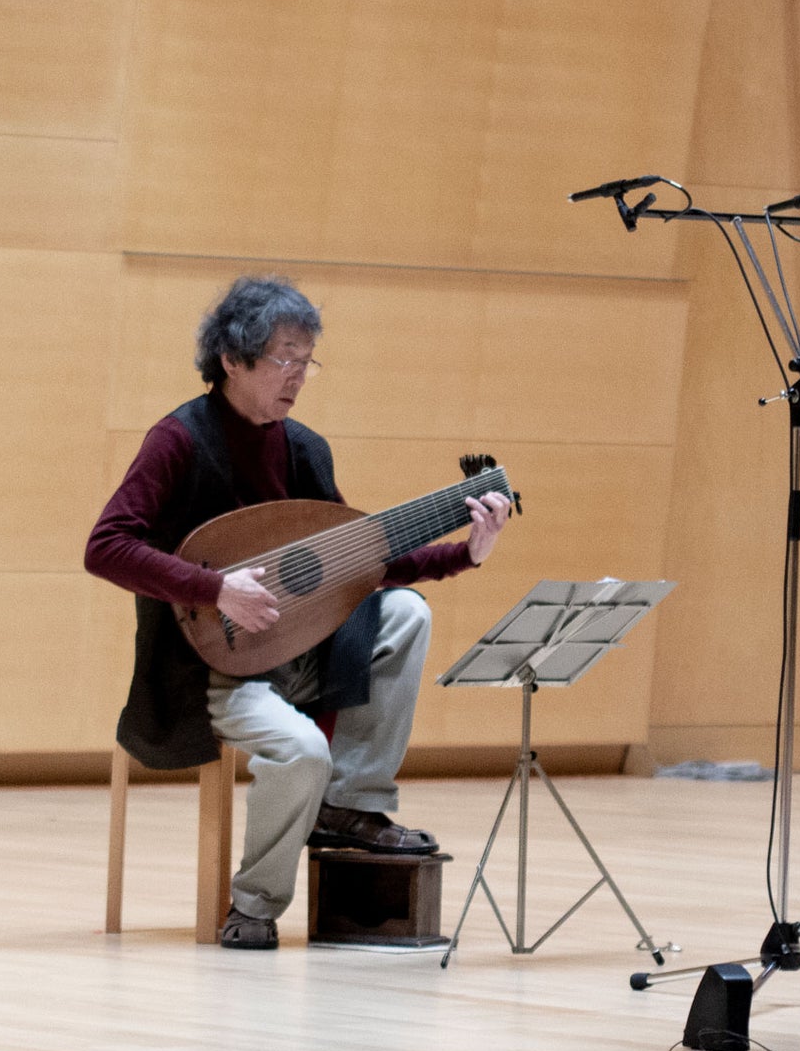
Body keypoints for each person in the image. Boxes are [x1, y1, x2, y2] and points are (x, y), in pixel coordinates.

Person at [85, 276, 512, 949]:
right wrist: (214, 590)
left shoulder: (304, 449)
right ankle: (255, 906)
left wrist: (466, 552)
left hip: (303, 654)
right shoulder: (179, 440)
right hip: (213, 670)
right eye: (284, 358)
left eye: (307, 361)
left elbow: (359, 563)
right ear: (232, 359)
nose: (297, 376)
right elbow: (106, 547)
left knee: (406, 611)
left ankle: (351, 803)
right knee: (304, 749)